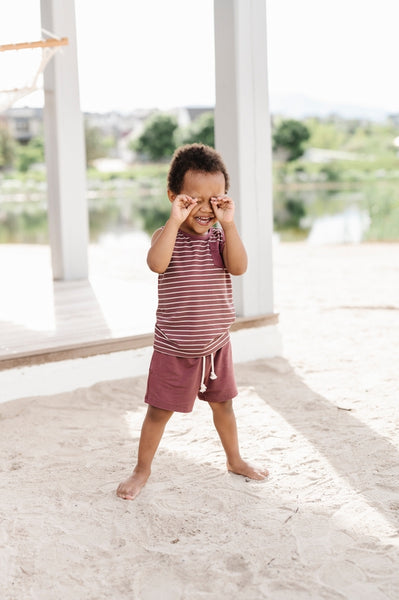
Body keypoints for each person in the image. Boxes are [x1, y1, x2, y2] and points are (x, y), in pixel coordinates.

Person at [117, 143, 269, 500]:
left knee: (225, 406)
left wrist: (229, 226)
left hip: (216, 345)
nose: (205, 209)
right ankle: (142, 469)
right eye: (193, 200)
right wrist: (173, 220)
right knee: (158, 413)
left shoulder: (220, 237)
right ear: (173, 197)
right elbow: (156, 263)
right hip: (174, 348)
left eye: (216, 199)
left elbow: (239, 267)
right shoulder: (166, 236)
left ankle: (234, 459)